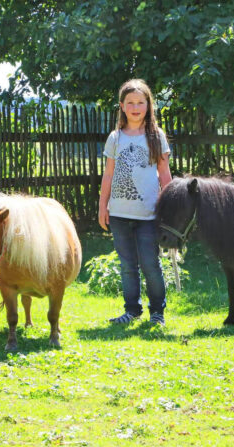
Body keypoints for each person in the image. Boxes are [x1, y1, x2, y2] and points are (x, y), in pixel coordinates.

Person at [98, 79, 172, 326]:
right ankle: (132, 311)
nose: (136, 107)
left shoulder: (156, 136)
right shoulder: (115, 138)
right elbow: (108, 174)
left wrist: (170, 206)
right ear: (122, 106)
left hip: (149, 215)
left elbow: (164, 174)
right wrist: (103, 207)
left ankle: (157, 313)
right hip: (119, 214)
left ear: (148, 105)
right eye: (130, 102)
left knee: (150, 265)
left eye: (141, 102)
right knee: (128, 266)